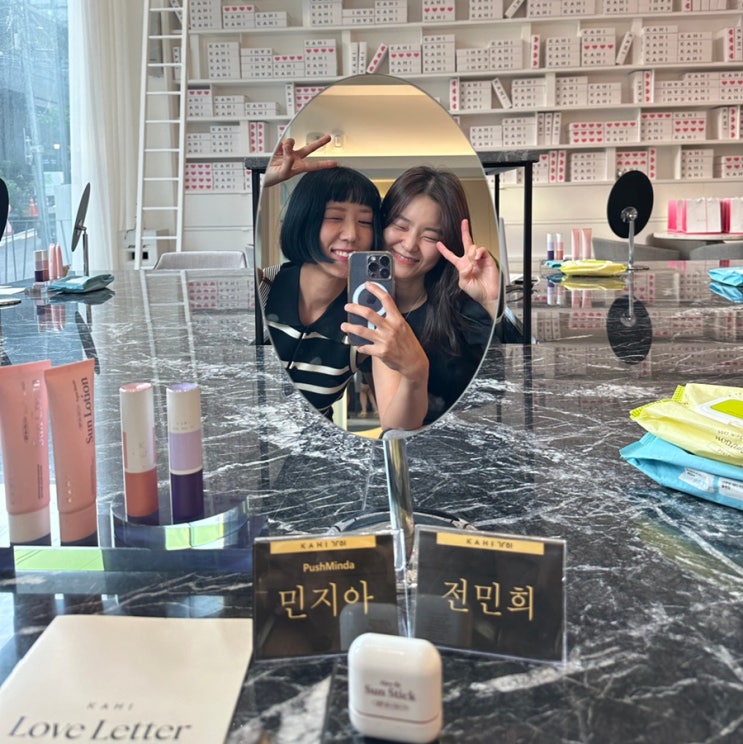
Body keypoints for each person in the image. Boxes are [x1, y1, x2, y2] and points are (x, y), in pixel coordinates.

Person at [341, 166, 500, 430]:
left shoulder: (465, 303)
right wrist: (414, 373)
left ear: (447, 243)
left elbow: (514, 385)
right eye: (400, 226)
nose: (409, 244)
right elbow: (395, 426)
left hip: (478, 438)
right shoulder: (368, 308)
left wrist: (491, 302)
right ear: (383, 224)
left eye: (430, 236)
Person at [262, 165, 382, 419]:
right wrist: (265, 179)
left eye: (365, 222)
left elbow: (394, 418)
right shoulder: (263, 287)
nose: (351, 235)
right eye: (335, 217)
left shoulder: (368, 318)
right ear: (304, 218)